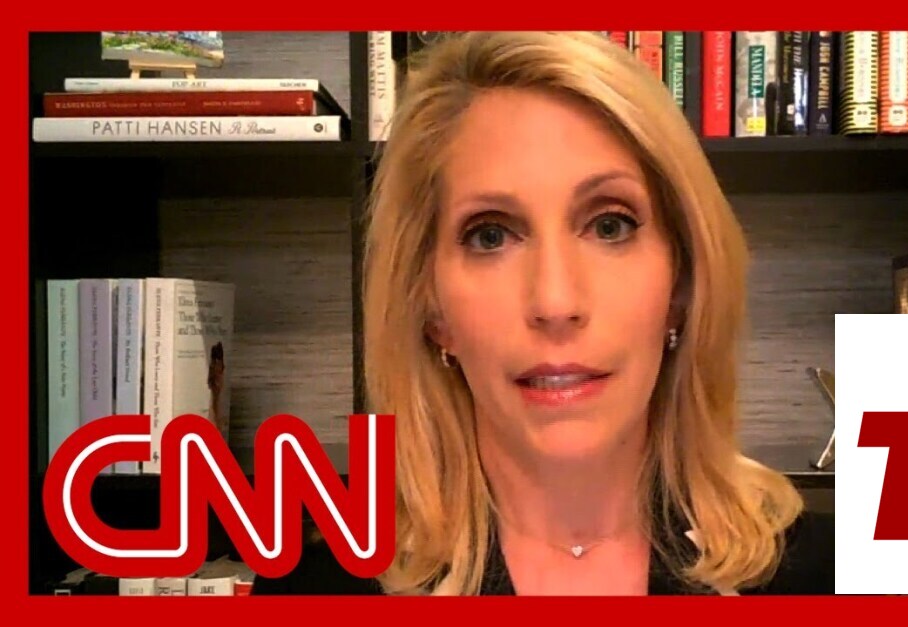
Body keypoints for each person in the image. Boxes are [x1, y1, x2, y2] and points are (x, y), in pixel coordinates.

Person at [252, 30, 833, 596]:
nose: (556, 303)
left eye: (610, 226)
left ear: (681, 283)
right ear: (431, 306)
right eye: (490, 236)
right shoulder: (321, 588)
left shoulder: (835, 578)